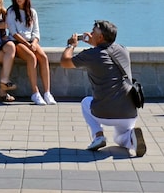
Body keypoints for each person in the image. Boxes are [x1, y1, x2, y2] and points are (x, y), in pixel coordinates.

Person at [61, 19, 146, 157]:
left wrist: (70, 45)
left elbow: (65, 62)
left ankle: (98, 136)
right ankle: (131, 138)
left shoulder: (91, 55)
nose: (90, 33)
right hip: (129, 112)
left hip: (104, 113)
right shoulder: (124, 50)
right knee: (119, 138)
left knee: (85, 102)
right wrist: (95, 43)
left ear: (100, 37)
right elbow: (106, 52)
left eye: (93, 32)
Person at [7, 0, 55, 106]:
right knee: (31, 58)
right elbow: (13, 32)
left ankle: (47, 93)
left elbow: (36, 32)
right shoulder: (11, 11)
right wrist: (27, 44)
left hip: (31, 41)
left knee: (43, 58)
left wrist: (33, 43)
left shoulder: (32, 12)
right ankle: (35, 92)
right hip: (18, 42)